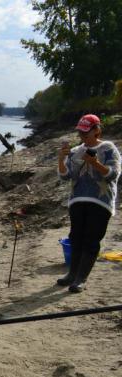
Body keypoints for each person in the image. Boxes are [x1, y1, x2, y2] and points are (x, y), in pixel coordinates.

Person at [57, 114, 120, 292]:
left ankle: (81, 279)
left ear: (97, 130)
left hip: (101, 201)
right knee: (76, 237)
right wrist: (61, 159)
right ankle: (72, 275)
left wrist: (95, 163)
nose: (83, 136)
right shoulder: (77, 150)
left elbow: (113, 174)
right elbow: (65, 176)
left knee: (91, 239)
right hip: (77, 200)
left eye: (86, 132)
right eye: (81, 133)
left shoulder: (109, 148)